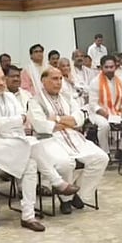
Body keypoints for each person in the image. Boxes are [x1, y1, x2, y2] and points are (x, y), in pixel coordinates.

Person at [0, 66, 45, 232]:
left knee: (31, 163)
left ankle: (28, 215)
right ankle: (56, 180)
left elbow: (20, 120)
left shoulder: (11, 97)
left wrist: (1, 125)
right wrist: (8, 123)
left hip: (11, 141)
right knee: (29, 145)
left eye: (2, 79)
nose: (1, 83)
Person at [30, 67, 108, 214]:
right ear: (43, 81)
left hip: (73, 136)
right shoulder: (35, 101)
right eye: (54, 79)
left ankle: (77, 194)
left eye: (60, 78)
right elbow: (42, 125)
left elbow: (78, 119)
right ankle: (66, 200)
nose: (58, 82)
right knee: (66, 164)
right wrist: (66, 122)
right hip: (50, 140)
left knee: (101, 158)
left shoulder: (67, 97)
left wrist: (58, 119)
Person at [88, 55, 122, 154]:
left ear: (115, 67)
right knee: (104, 125)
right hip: (98, 113)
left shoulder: (121, 81)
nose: (109, 70)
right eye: (106, 67)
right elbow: (93, 104)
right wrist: (108, 116)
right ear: (101, 67)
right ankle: (105, 152)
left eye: (111, 67)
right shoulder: (95, 82)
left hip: (116, 112)